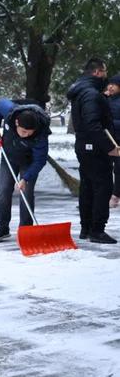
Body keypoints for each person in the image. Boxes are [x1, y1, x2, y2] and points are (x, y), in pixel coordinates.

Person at [68, 59, 120, 243]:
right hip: (94, 148)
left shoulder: (83, 91)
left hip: (84, 146)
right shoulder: (90, 94)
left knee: (88, 187)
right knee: (102, 187)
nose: (106, 75)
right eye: (104, 71)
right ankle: (97, 230)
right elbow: (93, 124)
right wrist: (110, 147)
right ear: (97, 72)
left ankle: (86, 228)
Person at [0, 99, 50, 241]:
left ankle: (26, 230)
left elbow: (40, 160)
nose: (26, 135)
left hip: (29, 162)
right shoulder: (10, 111)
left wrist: (26, 178)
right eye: (23, 131)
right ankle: (3, 228)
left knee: (26, 193)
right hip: (9, 156)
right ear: (16, 123)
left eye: (30, 133)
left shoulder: (41, 134)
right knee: (4, 190)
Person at [105, 75, 120, 208]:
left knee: (119, 168)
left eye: (114, 84)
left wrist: (108, 124)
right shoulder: (106, 99)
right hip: (108, 140)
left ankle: (116, 195)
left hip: (118, 140)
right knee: (105, 167)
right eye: (109, 84)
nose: (110, 86)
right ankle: (109, 194)